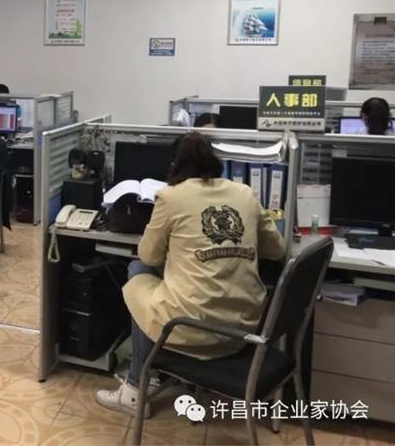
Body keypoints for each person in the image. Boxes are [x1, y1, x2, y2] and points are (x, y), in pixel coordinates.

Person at [95, 132, 285, 416]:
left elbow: (148, 256)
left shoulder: (171, 196)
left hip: (191, 330)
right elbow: (277, 249)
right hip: (242, 330)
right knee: (166, 279)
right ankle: (147, 375)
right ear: (215, 161)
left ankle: (135, 389)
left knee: (137, 271)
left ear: (175, 165)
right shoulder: (245, 193)